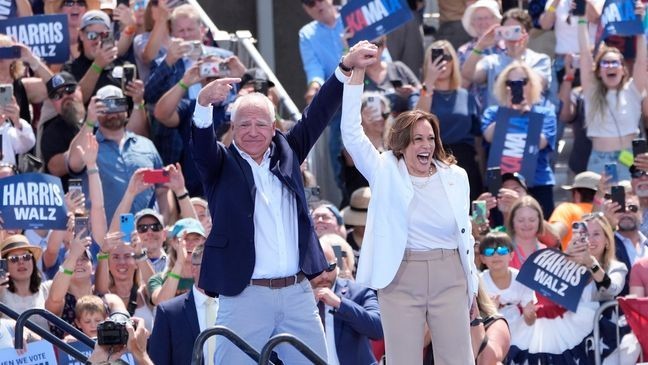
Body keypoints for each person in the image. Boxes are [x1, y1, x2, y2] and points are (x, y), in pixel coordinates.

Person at [191, 41, 378, 364]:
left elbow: (318, 112)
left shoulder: (289, 152)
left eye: (260, 124)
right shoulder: (219, 165)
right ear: (232, 128)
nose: (252, 131)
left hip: (297, 293)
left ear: (273, 127)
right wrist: (204, 105)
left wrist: (345, 66)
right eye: (244, 124)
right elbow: (202, 146)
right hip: (244, 293)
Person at [340, 55, 478, 364]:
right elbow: (350, 133)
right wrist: (356, 78)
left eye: (430, 138)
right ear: (402, 144)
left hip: (450, 274)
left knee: (458, 360)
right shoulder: (384, 169)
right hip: (400, 275)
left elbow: (465, 236)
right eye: (417, 139)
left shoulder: (457, 177)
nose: (425, 145)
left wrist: (473, 287)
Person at [66, 85, 166, 223]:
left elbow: (162, 189)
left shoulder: (146, 145)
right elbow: (74, 163)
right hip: (103, 237)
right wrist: (90, 120)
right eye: (105, 107)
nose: (112, 112)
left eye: (118, 104)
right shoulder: (89, 145)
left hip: (144, 234)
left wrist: (166, 219)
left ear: (126, 109)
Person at [577, 5, 647, 180]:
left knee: (633, 206)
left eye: (615, 63)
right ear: (598, 71)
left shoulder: (633, 89)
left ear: (623, 69)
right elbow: (585, 55)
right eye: (605, 64)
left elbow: (641, 62)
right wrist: (581, 19)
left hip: (629, 158)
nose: (610, 67)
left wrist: (640, 25)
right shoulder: (591, 91)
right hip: (599, 161)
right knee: (600, 207)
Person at [481, 61, 557, 217]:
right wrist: (508, 113)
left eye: (522, 82)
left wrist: (527, 115)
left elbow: (541, 143)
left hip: (537, 184)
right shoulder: (493, 113)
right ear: (504, 86)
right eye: (511, 83)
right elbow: (488, 136)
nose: (517, 87)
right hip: (502, 186)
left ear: (532, 84)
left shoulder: (545, 113)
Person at [417, 40, 483, 200]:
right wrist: (429, 83)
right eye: (436, 57)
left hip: (465, 161)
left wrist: (483, 170)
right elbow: (417, 121)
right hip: (432, 160)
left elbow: (478, 138)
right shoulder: (421, 93)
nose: (442, 62)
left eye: (447, 57)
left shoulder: (466, 96)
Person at [309, 239, 383, 365]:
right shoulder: (298, 298)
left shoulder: (358, 292)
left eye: (329, 267)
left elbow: (377, 329)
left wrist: (340, 304)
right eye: (317, 269)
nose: (324, 276)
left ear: (337, 265)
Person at [462, 8, 552, 109]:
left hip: (529, 118)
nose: (511, 36)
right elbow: (467, 74)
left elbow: (538, 86)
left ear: (527, 34)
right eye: (507, 31)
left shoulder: (540, 60)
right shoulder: (492, 61)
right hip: (498, 119)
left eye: (516, 31)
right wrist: (480, 46)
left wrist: (517, 57)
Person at [149, 245, 218, 365]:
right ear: (193, 269)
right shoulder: (169, 312)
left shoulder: (233, 309)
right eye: (207, 264)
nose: (214, 270)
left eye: (217, 265)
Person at [39, 72, 84, 188]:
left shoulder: (100, 119)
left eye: (69, 89)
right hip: (73, 200)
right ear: (52, 103)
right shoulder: (51, 132)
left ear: (79, 90)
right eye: (57, 95)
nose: (65, 96)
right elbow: (55, 168)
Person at [0, 235, 52, 333]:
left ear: (32, 261)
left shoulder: (46, 289)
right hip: (12, 348)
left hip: (44, 348)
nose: (21, 262)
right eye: (14, 259)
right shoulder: (1, 292)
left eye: (26, 257)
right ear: (4, 265)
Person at [363, 36, 421, 114]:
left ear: (384, 46)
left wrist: (412, 92)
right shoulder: (356, 75)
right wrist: (346, 47)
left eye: (374, 45)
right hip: (370, 124)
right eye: (365, 46)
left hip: (402, 123)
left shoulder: (398, 68)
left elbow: (422, 93)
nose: (369, 50)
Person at [550, 171, 601, 250]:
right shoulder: (606, 213)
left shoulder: (567, 209)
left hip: (571, 261)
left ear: (577, 194)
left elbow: (554, 235)